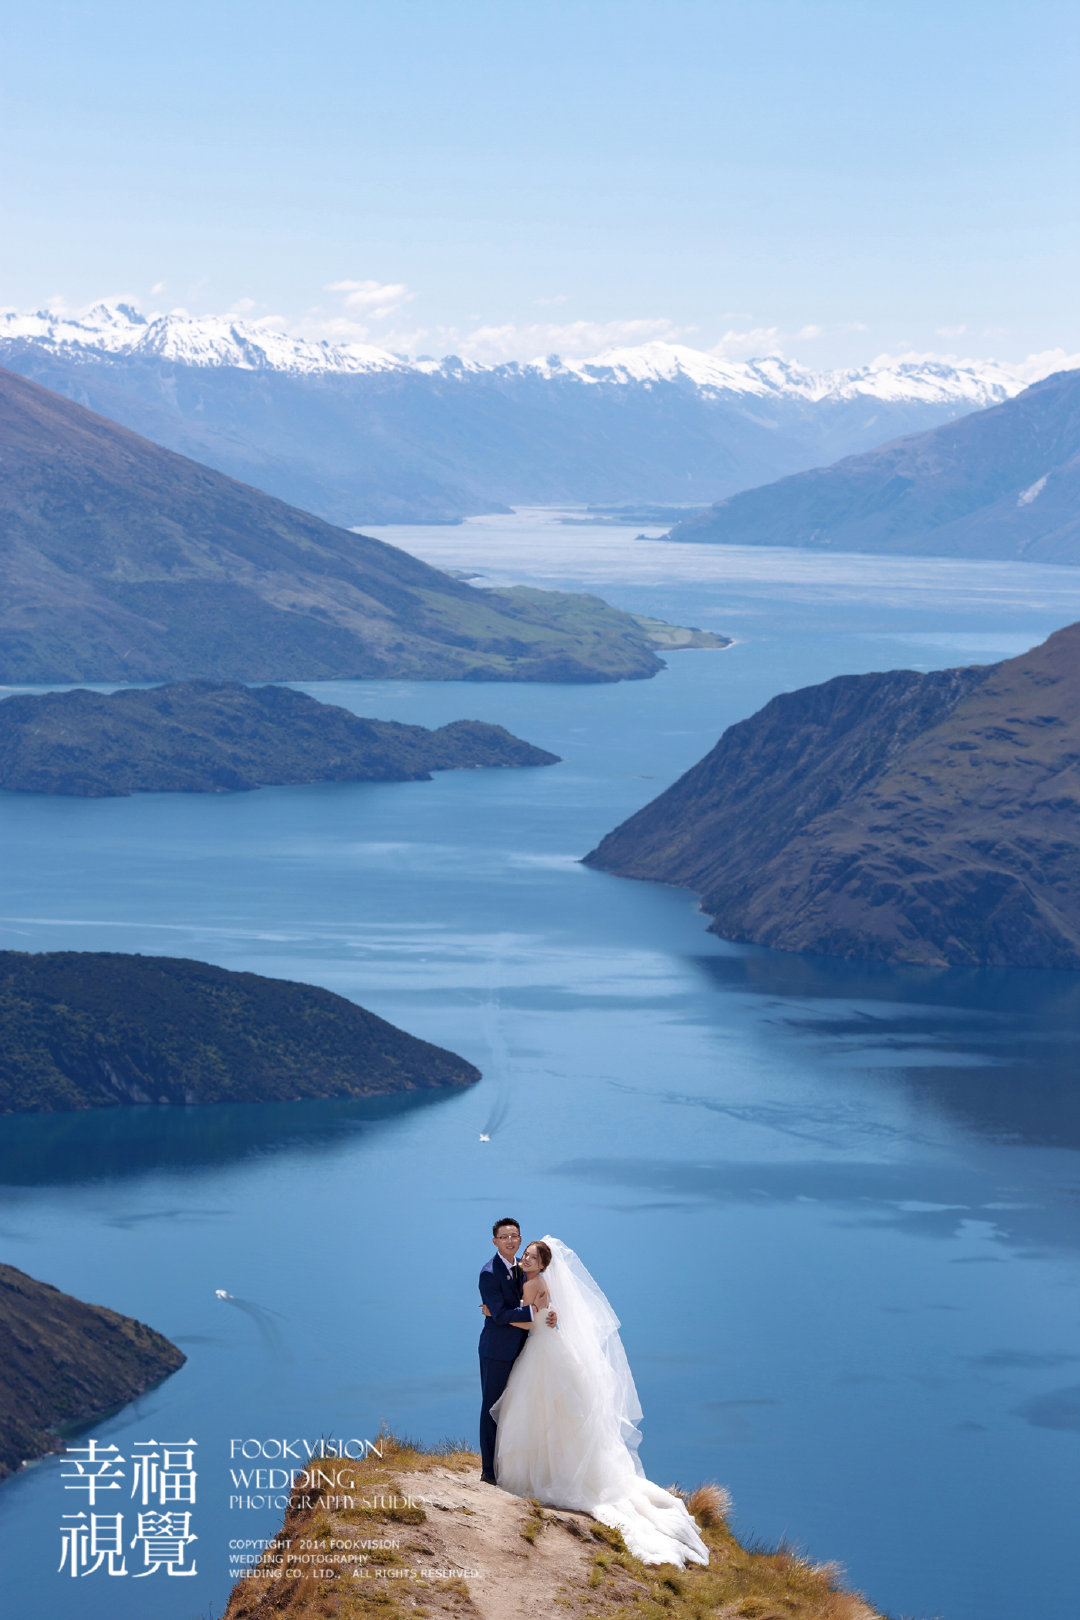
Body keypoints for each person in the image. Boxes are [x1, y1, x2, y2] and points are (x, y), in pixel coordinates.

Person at [487, 1234, 709, 1569]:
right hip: (548, 1344)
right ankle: (551, 1468)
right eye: (527, 1255)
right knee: (550, 1412)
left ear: (544, 1264)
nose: (526, 1259)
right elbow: (546, 1312)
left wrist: (493, 1313)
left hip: (541, 1348)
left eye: (532, 1256)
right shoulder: (535, 1281)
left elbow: (528, 1318)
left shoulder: (534, 1283)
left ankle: (539, 1474)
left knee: (539, 1410)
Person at [476, 1217, 556, 1484]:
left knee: (516, 1409)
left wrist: (548, 1315)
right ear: (495, 1241)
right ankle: (489, 1471)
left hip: (524, 1349)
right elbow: (499, 1313)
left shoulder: (525, 1268)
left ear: (520, 1239)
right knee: (492, 1408)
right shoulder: (489, 1273)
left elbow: (511, 1308)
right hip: (497, 1350)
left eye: (515, 1236)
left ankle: (511, 1466)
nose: (510, 1241)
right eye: (504, 1236)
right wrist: (532, 1312)